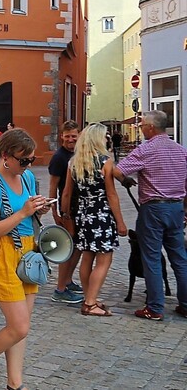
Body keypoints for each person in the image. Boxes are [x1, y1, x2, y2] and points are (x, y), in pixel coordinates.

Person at [0, 128, 51, 390]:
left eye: (31, 159)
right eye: (23, 159)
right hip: (2, 254)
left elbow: (26, 214)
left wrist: (39, 209)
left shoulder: (26, 177)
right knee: (18, 326)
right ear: (5, 156)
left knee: (22, 327)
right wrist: (23, 212)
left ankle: (15, 383)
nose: (28, 164)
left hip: (27, 253)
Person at [113, 110, 187, 321]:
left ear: (151, 128)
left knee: (151, 257)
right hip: (176, 207)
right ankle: (185, 304)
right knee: (180, 258)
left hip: (153, 209)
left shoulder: (145, 149)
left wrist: (124, 181)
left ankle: (155, 307)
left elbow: (119, 170)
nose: (141, 128)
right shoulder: (180, 150)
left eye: (143, 125)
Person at [60, 123, 127, 316]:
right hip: (102, 214)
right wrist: (120, 222)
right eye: (105, 136)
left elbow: (66, 193)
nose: (107, 139)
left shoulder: (74, 162)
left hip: (83, 213)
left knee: (87, 256)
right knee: (104, 259)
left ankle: (90, 296)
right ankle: (90, 303)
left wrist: (66, 216)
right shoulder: (105, 162)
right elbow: (112, 195)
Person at [47, 120, 85, 305]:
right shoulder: (59, 157)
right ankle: (60, 289)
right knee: (67, 248)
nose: (71, 139)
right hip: (67, 209)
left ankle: (68, 280)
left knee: (77, 247)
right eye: (67, 136)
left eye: (74, 136)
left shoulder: (79, 153)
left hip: (80, 208)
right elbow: (53, 185)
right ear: (61, 136)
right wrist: (55, 211)